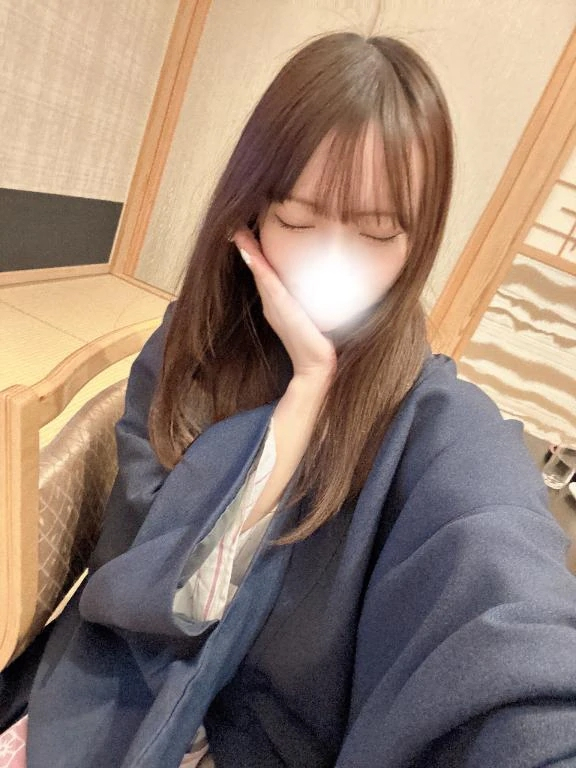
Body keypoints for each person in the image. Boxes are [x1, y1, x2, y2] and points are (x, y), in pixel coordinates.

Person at [5, 31, 576, 768]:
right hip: (131, 697)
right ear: (250, 216)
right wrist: (304, 396)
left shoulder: (435, 418)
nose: (331, 262)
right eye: (300, 221)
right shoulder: (193, 347)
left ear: (418, 241)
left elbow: (504, 596)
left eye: (377, 231)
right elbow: (149, 588)